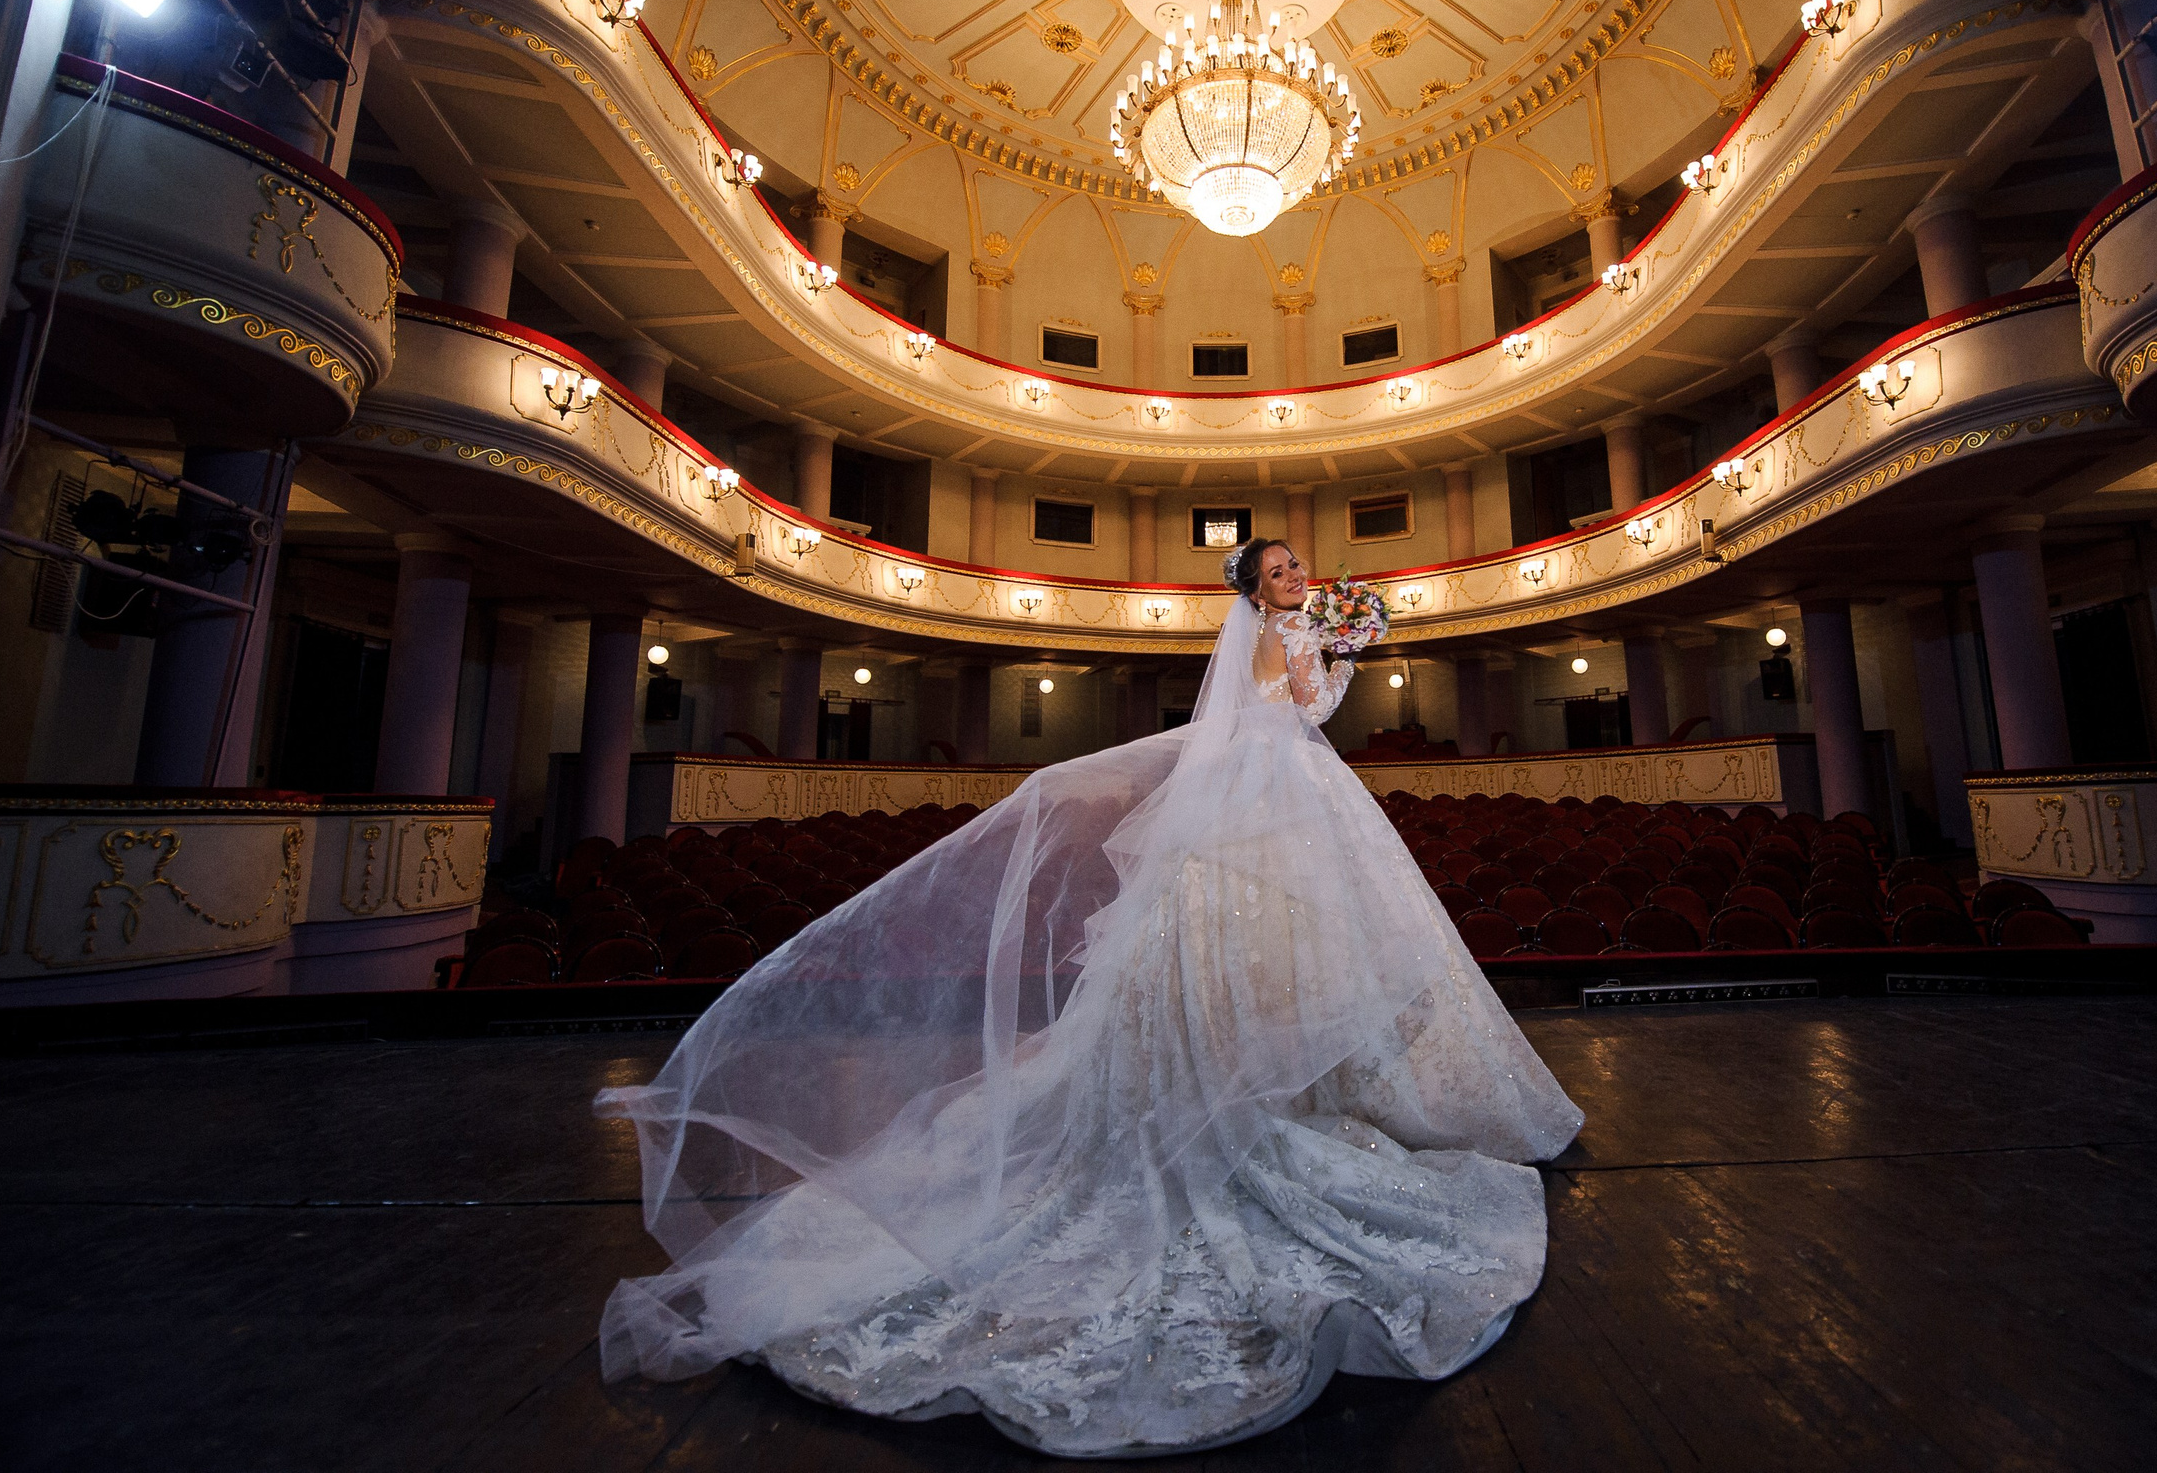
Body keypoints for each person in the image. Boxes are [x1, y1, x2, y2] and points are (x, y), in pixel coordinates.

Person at [596, 536, 1583, 1456]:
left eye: (1297, 568)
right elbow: (1309, 711)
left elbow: (1267, 713)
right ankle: (1284, 1096)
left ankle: (1244, 1080)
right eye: (1280, 571)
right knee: (1310, 946)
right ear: (1256, 591)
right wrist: (1346, 651)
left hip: (1259, 800)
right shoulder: (1290, 634)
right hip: (1289, 798)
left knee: (1250, 949)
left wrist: (1331, 639)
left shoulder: (1252, 641)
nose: (1295, 577)